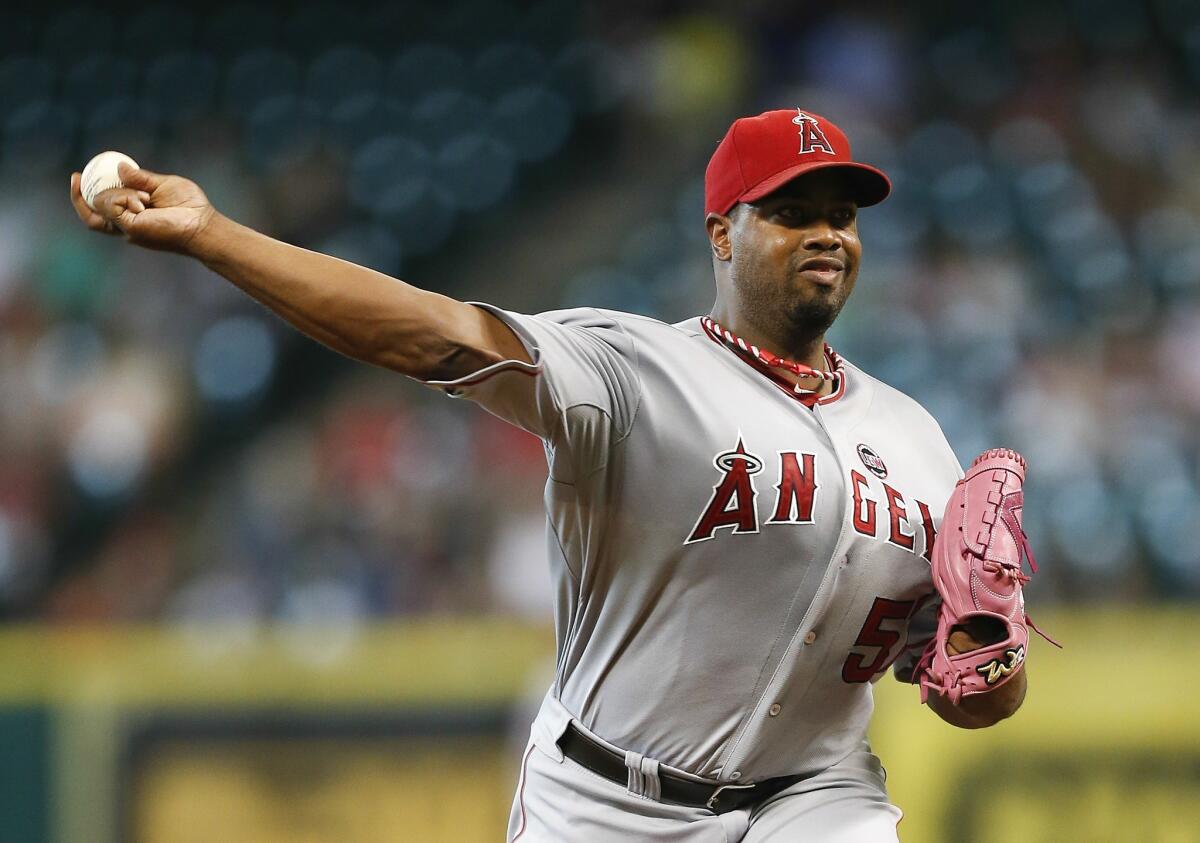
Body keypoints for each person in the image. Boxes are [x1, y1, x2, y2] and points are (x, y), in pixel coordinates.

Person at [70, 108, 1030, 841]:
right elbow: (434, 335)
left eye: (842, 215)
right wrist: (214, 236)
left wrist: (989, 669)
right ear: (720, 233)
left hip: (814, 802)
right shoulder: (631, 370)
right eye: (789, 212)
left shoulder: (916, 440)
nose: (827, 233)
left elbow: (962, 678)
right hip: (608, 800)